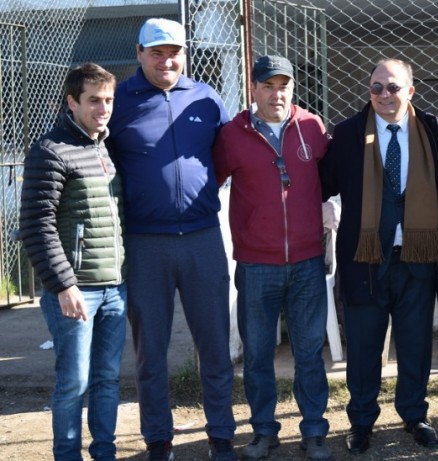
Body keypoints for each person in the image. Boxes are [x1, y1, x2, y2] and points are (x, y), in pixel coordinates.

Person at [107, 18, 237, 461]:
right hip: (145, 243)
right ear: (139, 54)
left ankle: (221, 436)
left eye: (174, 52)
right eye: (157, 52)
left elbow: (226, 155)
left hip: (202, 238)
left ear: (185, 54)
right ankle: (158, 439)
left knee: (215, 345)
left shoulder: (205, 98)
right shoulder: (117, 101)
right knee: (151, 353)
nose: (167, 61)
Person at [319, 58, 438, 454]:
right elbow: (323, 181)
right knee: (363, 346)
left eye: (393, 87)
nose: (383, 95)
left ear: (410, 91)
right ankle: (361, 422)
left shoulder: (433, 130)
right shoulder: (347, 134)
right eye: (376, 87)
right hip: (365, 257)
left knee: (416, 344)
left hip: (418, 257)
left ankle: (415, 415)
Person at [212, 55, 331, 461]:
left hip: (307, 261)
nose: (276, 94)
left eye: (284, 85)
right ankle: (264, 430)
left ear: (293, 88)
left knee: (310, 351)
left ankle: (314, 430)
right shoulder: (232, 134)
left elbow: (335, 175)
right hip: (256, 264)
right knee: (258, 353)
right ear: (254, 90)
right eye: (268, 86)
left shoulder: (313, 127)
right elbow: (206, 179)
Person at [19, 62, 125, 461]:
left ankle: (104, 452)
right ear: (72, 102)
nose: (103, 108)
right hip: (76, 290)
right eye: (94, 100)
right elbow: (35, 223)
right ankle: (67, 455)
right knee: (73, 383)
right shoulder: (50, 150)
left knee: (108, 379)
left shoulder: (105, 147)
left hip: (116, 287)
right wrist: (63, 285)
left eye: (108, 100)